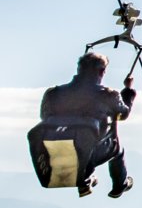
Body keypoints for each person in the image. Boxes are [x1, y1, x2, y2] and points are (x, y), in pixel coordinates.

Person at [38, 51, 136, 197]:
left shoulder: (53, 93)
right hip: (93, 150)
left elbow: (44, 116)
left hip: (58, 148)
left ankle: (86, 177)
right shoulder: (108, 95)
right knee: (117, 149)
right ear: (101, 72)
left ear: (79, 69)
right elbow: (123, 114)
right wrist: (128, 91)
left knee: (86, 140)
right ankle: (119, 185)